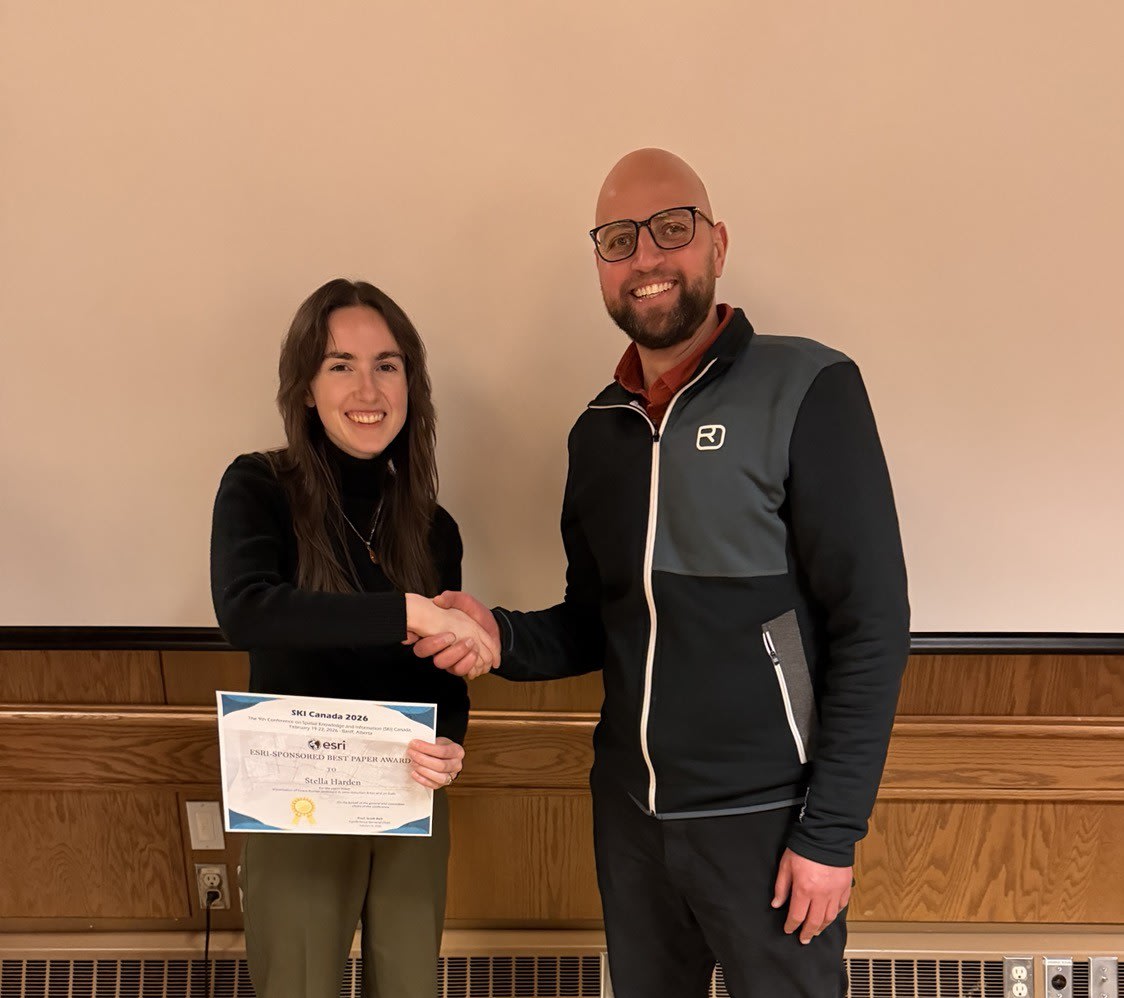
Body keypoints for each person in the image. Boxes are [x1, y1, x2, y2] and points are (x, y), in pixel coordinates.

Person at [412, 149, 910, 997]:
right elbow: (596, 618)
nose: (644, 257)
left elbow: (872, 623)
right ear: (601, 267)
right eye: (617, 239)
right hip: (632, 823)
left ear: (715, 242)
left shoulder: (809, 385)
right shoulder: (596, 433)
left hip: (767, 822)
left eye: (669, 229)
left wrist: (829, 834)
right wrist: (498, 636)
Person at [210, 278, 499, 998]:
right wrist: (407, 612)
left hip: (404, 791)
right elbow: (248, 610)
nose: (366, 387)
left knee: (408, 983)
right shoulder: (259, 485)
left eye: (387, 364)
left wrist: (451, 741)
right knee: (298, 983)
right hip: (297, 794)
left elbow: (440, 680)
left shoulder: (434, 527)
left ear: (410, 384)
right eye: (340, 365)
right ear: (306, 387)